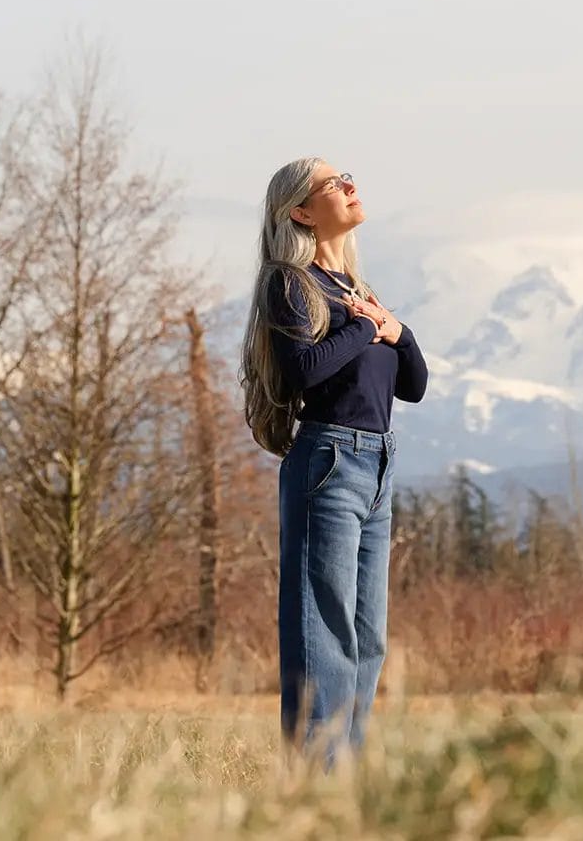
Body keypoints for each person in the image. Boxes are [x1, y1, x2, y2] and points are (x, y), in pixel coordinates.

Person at [239, 158, 428, 766]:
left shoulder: (358, 292)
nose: (349, 185)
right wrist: (362, 328)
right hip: (329, 460)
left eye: (348, 176)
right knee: (323, 631)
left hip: (378, 464)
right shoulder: (290, 282)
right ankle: (317, 787)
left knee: (368, 635)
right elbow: (306, 370)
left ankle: (346, 783)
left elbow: (414, 385)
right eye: (332, 183)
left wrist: (392, 329)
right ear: (300, 211)